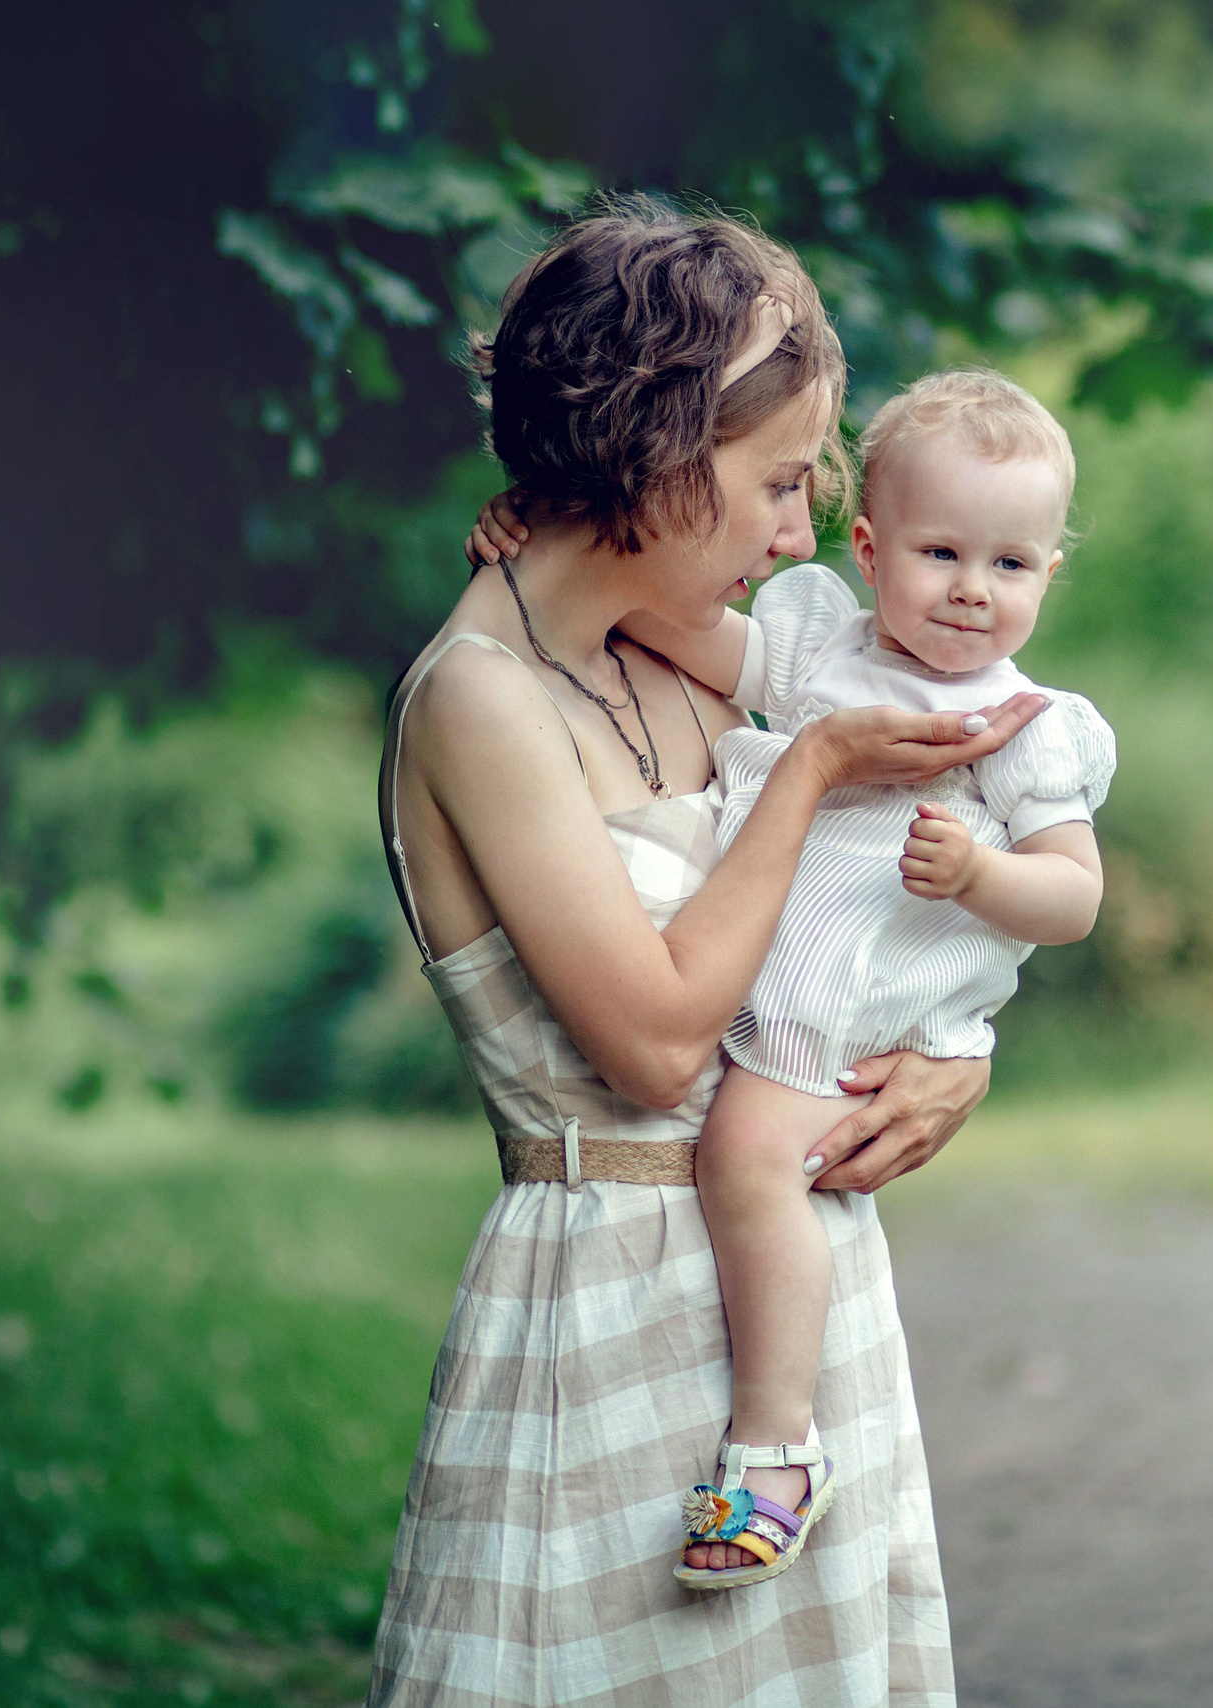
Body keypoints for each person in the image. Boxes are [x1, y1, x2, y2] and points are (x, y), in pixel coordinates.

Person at [371, 198, 1039, 1706]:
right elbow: (663, 1045)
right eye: (780, 482)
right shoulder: (482, 701)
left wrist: (952, 1058)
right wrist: (808, 774)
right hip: (608, 1313)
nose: (804, 534)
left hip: (795, 1314)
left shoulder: (674, 655)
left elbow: (850, 928)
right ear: (656, 453)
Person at [470, 369, 1111, 1590]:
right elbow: (659, 621)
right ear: (868, 549)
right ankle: (776, 1435)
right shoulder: (816, 647)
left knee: (748, 1154)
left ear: (1046, 575)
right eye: (940, 552)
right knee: (742, 1150)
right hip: (753, 980)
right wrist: (530, 555)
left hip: (842, 1015)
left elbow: (1074, 896)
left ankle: (775, 1446)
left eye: (1012, 564)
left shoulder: (1025, 725)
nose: (974, 590)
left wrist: (980, 872)